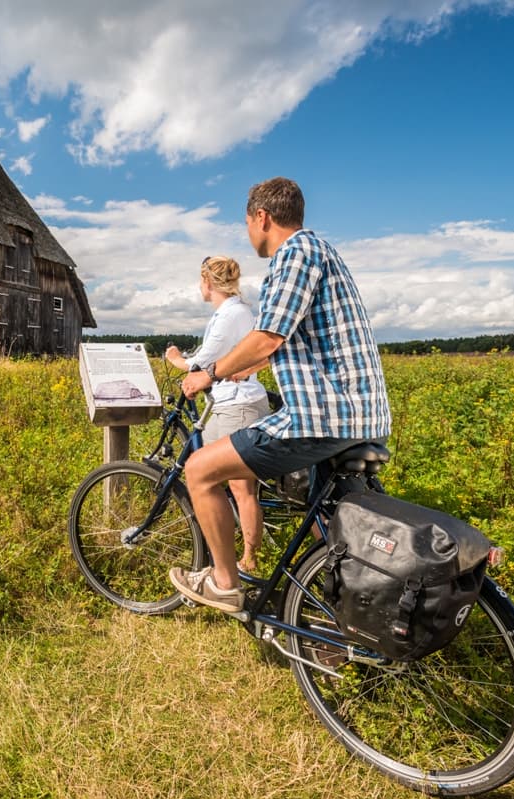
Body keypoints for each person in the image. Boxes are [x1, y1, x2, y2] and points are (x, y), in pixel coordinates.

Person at [168, 177, 391, 613]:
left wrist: (209, 374)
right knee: (328, 519)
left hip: (323, 418)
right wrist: (247, 368)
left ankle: (224, 583)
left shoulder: (294, 253)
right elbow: (299, 342)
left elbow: (269, 336)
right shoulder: (323, 252)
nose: (248, 233)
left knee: (199, 469)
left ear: (262, 217)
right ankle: (347, 611)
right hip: (362, 418)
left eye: (247, 223)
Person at [164, 256, 272, 572]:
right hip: (244, 401)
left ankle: (236, 562)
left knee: (230, 483)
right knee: (234, 482)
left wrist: (175, 359)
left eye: (201, 281)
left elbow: (202, 361)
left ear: (208, 282)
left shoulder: (228, 315)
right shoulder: (240, 311)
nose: (200, 287)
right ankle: (241, 552)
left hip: (235, 407)